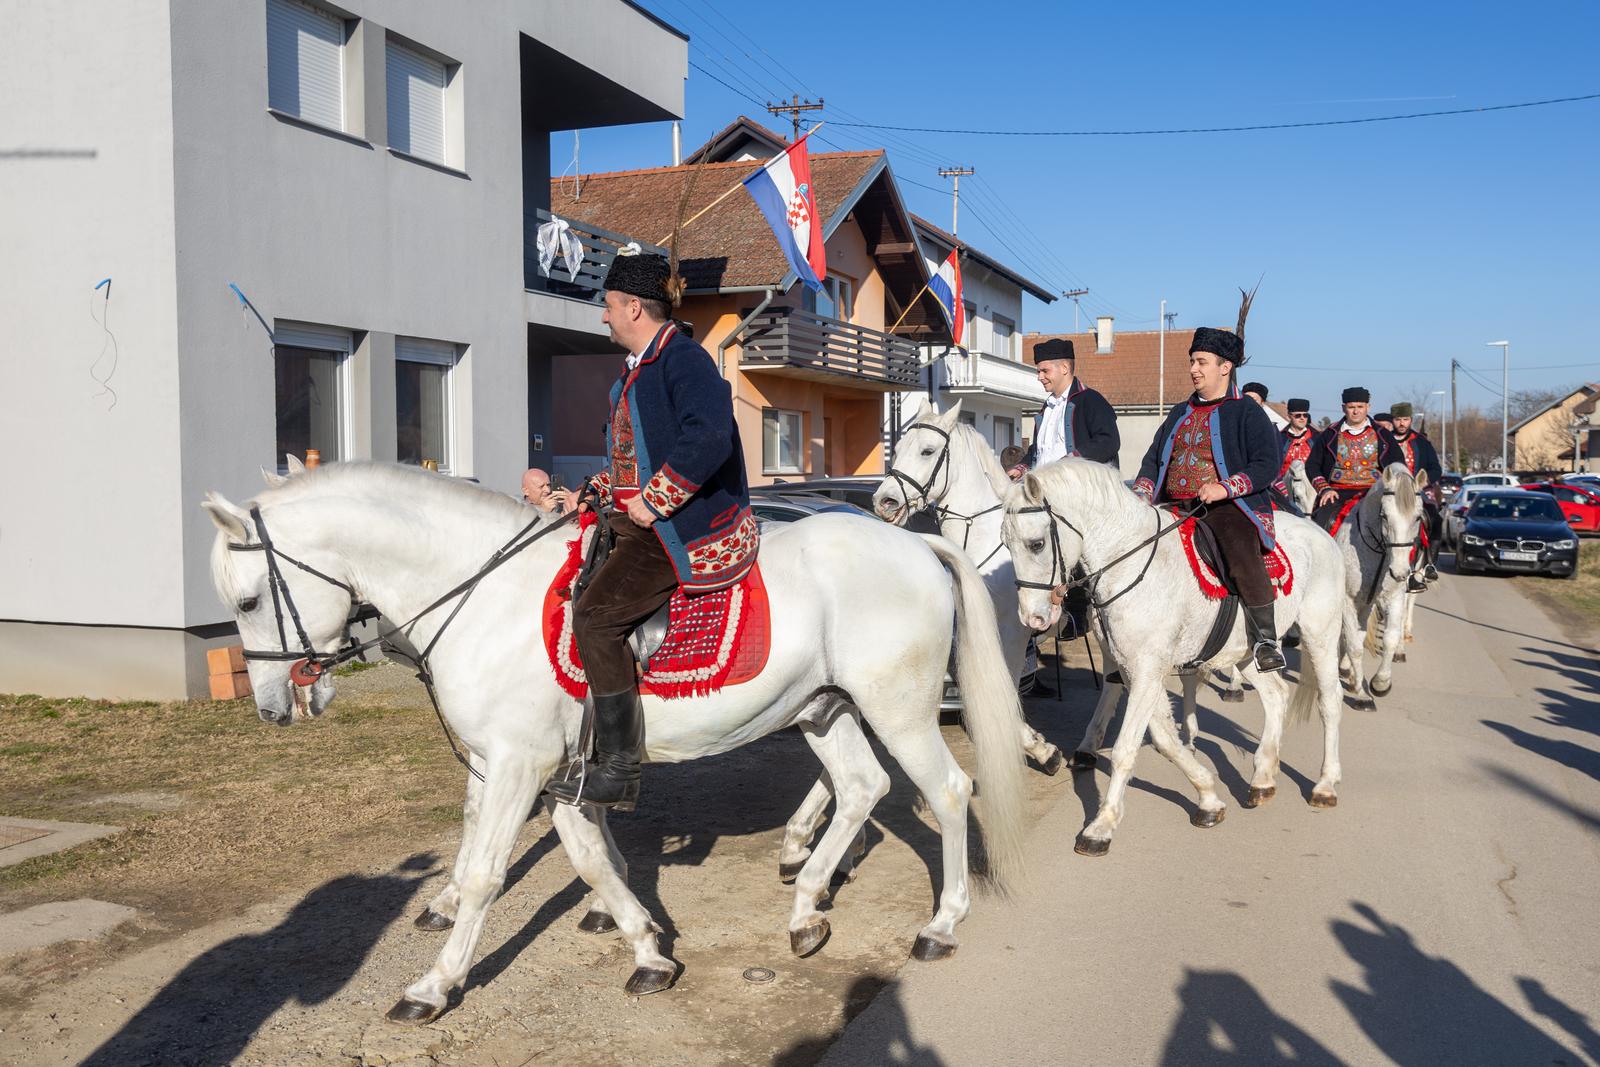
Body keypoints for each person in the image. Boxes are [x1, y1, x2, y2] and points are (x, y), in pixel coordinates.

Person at [545, 250, 757, 811]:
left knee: (594, 617)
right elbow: (633, 458)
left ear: (634, 307)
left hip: (678, 527)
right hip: (639, 519)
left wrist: (656, 499)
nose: (604, 315)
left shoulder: (684, 360)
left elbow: (708, 437)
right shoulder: (640, 367)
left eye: (609, 306)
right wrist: (597, 488)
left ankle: (619, 767)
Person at [1133, 301, 1287, 673]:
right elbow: (1154, 458)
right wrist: (1142, 492)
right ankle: (1134, 642)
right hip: (1172, 505)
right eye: (1192, 361)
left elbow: (1267, 464)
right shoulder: (1179, 411)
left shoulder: (1247, 411)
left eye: (1201, 362)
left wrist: (1225, 488)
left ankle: (1265, 640)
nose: (1193, 369)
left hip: (1226, 507)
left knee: (1239, 545)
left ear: (1225, 367)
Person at [1005, 338, 1120, 476]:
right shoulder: (1047, 407)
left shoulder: (1091, 400)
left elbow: (1109, 442)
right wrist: (1021, 468)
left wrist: (1069, 462)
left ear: (1064, 368)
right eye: (1038, 372)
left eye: (1045, 371)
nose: (1039, 377)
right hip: (1044, 487)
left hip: (1079, 487)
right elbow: (1039, 450)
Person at [1306, 387, 1402, 531]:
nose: (1356, 411)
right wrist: (1324, 489)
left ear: (1368, 407)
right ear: (1343, 408)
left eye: (1360, 407)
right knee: (1320, 526)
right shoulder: (1329, 434)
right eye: (1351, 407)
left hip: (1375, 492)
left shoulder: (1383, 435)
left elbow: (1398, 465)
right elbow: (1312, 465)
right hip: (1337, 492)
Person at [1389, 402, 1444, 587]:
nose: (1401, 423)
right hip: (1390, 494)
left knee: (1436, 520)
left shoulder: (1421, 442)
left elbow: (1436, 469)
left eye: (1405, 419)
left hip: (1418, 492)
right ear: (1393, 420)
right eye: (1398, 419)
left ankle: (1428, 565)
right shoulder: (1385, 441)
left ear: (1411, 420)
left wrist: (1422, 482)